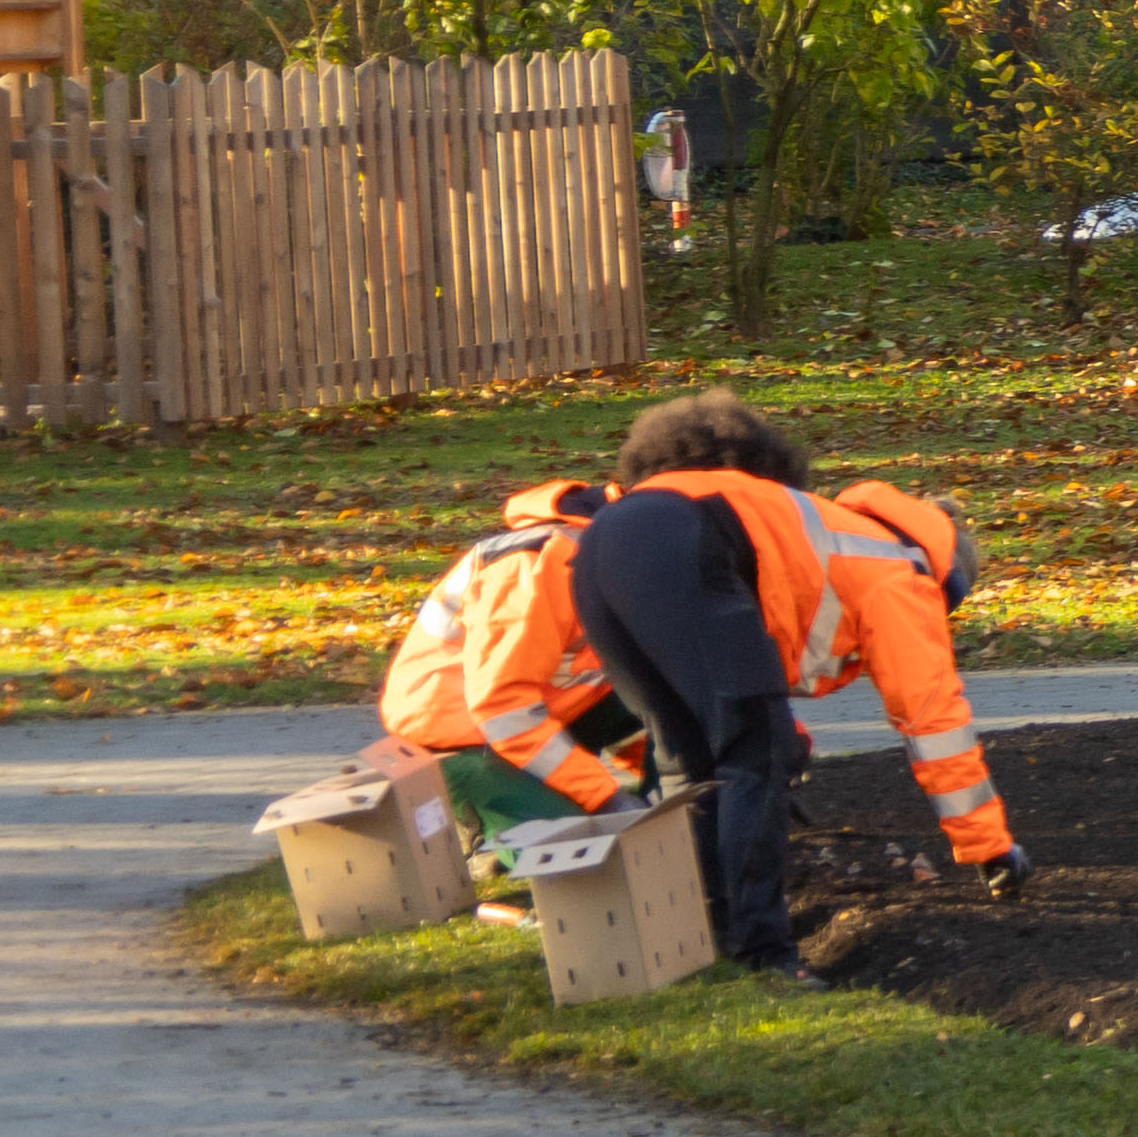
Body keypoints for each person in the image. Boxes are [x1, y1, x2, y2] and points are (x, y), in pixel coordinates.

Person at [563, 389, 1023, 981]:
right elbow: (933, 720)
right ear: (949, 575)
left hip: (603, 543)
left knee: (689, 762)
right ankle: (766, 959)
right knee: (757, 755)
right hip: (678, 540)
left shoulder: (828, 527)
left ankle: (694, 941)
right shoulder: (901, 572)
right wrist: (989, 846)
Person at [374, 476, 636, 849]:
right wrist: (605, 797)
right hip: (459, 740)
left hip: (527, 720)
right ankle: (478, 821)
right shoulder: (533, 567)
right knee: (576, 848)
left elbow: (630, 695)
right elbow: (502, 706)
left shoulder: (619, 550)